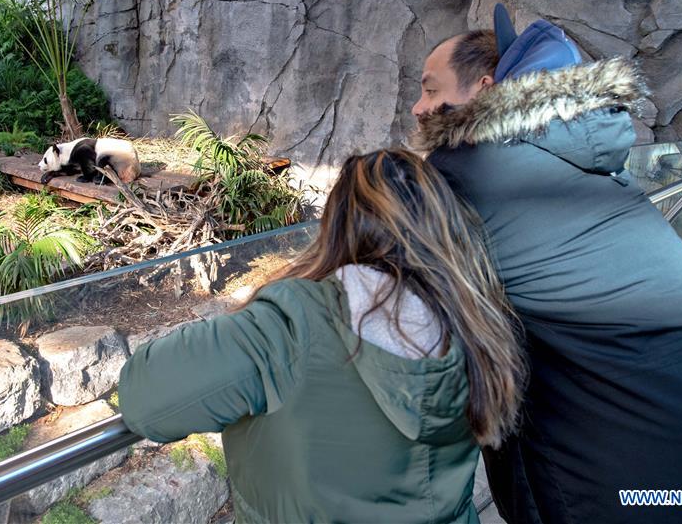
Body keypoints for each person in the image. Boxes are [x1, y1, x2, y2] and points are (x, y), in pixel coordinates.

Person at [410, 5, 682, 524]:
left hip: (631, 487)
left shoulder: (469, 170)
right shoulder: (583, 164)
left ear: (487, 89)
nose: (417, 107)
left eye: (430, 88)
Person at [118, 149, 527, 523]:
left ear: (336, 228)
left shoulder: (291, 325)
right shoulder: (479, 324)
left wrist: (255, 316)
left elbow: (144, 400)